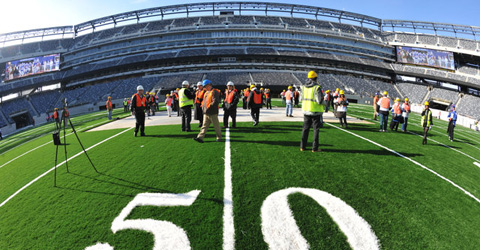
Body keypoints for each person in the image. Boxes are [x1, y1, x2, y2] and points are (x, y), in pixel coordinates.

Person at [300, 71, 324, 152]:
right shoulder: (317, 87)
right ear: (315, 78)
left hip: (306, 110)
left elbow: (301, 99)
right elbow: (319, 101)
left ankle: (302, 147)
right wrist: (326, 103)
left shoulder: (303, 87)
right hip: (315, 111)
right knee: (315, 130)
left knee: (305, 129)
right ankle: (315, 148)